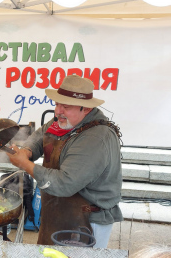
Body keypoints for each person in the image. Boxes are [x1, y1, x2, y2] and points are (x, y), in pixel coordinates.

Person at [7, 75, 123, 248]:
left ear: (86, 109)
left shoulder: (96, 137)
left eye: (66, 107)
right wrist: (26, 151)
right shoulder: (64, 122)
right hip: (57, 211)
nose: (58, 111)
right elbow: (41, 135)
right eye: (57, 104)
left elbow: (65, 183)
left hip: (86, 221)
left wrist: (25, 164)